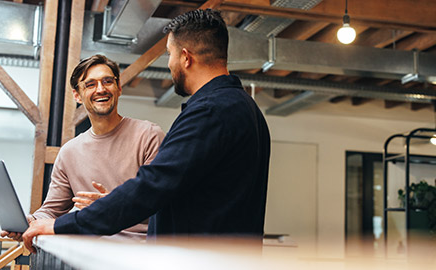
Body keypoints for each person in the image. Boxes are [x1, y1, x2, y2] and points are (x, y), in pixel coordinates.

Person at [23, 9, 270, 253]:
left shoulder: (209, 112)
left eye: (170, 54)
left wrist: (67, 223)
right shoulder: (246, 108)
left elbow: (151, 188)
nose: (170, 63)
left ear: (186, 57)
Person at [2, 54, 165, 240]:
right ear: (77, 95)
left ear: (119, 88)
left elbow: (162, 201)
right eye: (90, 84)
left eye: (108, 81)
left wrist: (117, 205)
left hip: (138, 252)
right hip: (85, 253)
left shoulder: (149, 135)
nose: (101, 89)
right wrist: (31, 222)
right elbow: (52, 210)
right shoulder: (69, 152)